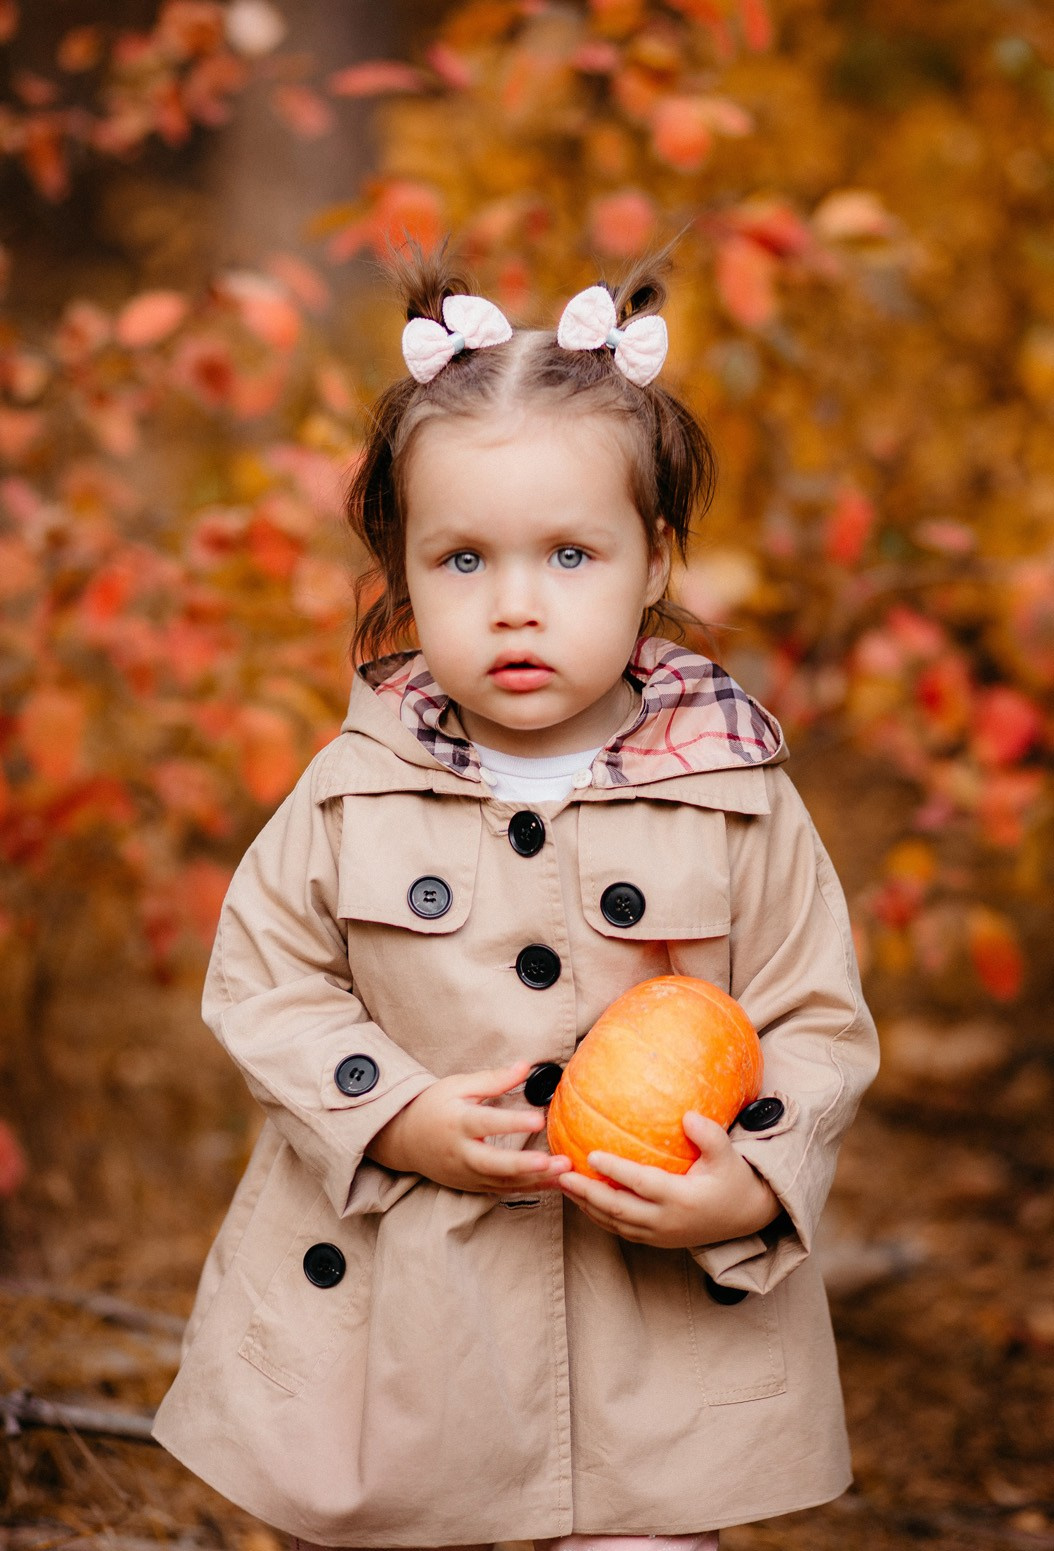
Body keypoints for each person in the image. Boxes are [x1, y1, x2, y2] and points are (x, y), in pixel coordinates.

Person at [152, 246, 879, 1551]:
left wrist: (756, 1185)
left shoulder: (732, 792)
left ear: (653, 561)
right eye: (463, 561)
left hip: (648, 1322)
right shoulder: (352, 788)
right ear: (403, 570)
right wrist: (391, 1112)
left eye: (570, 554)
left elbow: (813, 1018)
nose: (516, 607)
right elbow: (264, 982)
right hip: (406, 1310)